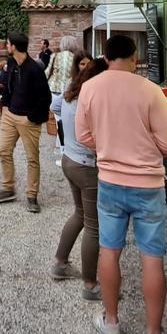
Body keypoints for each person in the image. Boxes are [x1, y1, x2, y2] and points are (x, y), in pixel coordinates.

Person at [76, 34, 167, 334]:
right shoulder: (149, 90)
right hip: (148, 185)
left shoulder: (90, 89)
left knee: (110, 250)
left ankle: (111, 323)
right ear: (134, 57)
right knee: (152, 257)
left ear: (106, 57)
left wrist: (108, 146)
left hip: (109, 181)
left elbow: (83, 135)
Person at [50, 55, 107, 300]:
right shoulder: (93, 99)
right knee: (93, 226)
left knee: (79, 214)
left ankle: (60, 264)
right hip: (86, 166)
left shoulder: (70, 92)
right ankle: (90, 284)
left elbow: (54, 109)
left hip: (69, 160)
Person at [0, 32, 52, 213]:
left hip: (28, 120)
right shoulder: (10, 64)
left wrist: (31, 117)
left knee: (32, 158)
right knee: (4, 151)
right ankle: (8, 188)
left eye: (8, 44)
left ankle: (32, 196)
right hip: (10, 116)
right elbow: (9, 86)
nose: (6, 46)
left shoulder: (35, 69)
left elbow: (45, 97)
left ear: (14, 46)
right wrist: (5, 106)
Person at [45, 35, 81, 147]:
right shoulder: (76, 57)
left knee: (58, 118)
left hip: (55, 89)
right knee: (69, 118)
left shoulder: (55, 56)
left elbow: (47, 72)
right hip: (69, 90)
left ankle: (61, 144)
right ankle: (64, 144)